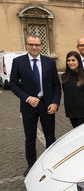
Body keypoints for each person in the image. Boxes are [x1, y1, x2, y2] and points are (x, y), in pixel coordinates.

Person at [9, 34, 61, 176]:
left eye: (37, 44)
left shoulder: (49, 62)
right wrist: (27, 98)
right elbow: (13, 84)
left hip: (47, 105)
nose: (34, 47)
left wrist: (55, 102)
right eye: (31, 44)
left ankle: (50, 164)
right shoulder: (18, 62)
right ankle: (31, 166)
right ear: (26, 45)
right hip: (29, 106)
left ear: (41, 46)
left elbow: (56, 85)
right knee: (30, 138)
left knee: (50, 137)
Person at [61, 51, 84, 128]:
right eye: (68, 60)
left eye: (73, 60)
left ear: (79, 61)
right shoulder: (64, 77)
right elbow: (66, 93)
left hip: (83, 113)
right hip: (71, 113)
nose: (70, 62)